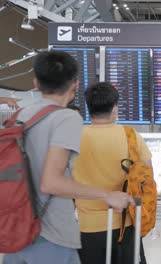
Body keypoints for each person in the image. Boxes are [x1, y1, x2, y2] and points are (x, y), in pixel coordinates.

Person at [3, 51, 134, 264]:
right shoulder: (66, 117)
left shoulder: (20, 117)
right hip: (50, 236)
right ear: (75, 84)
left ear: (36, 82)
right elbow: (51, 182)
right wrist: (106, 195)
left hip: (17, 231)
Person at [73, 82, 152, 264]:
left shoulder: (75, 136)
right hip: (126, 222)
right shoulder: (129, 134)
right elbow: (147, 174)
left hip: (88, 227)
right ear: (115, 107)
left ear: (88, 107)